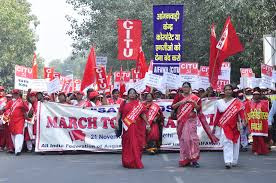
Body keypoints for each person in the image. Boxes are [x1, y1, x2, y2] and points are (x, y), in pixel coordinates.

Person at [115, 88, 150, 169]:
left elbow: (143, 115)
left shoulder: (138, 104)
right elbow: (119, 113)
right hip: (126, 127)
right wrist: (116, 122)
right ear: (128, 94)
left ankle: (136, 160)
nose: (132, 94)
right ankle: (127, 161)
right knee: (127, 143)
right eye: (130, 93)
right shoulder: (123, 103)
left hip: (136, 127)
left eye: (133, 93)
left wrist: (148, 123)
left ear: (136, 94)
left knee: (136, 144)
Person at [213, 84, 245, 169]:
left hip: (235, 125)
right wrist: (215, 126)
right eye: (226, 89)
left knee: (235, 142)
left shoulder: (237, 102)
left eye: (229, 89)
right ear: (224, 91)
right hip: (225, 125)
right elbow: (218, 116)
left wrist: (244, 120)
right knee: (227, 142)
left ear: (232, 91)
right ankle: (228, 161)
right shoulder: (219, 102)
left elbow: (241, 113)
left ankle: (234, 160)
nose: (228, 91)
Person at [172, 82, 202, 168]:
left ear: (190, 88)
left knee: (193, 139)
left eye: (187, 87)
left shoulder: (195, 97)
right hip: (181, 120)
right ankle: (185, 159)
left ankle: (194, 159)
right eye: (184, 87)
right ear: (182, 88)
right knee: (184, 140)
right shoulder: (178, 96)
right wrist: (183, 102)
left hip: (191, 120)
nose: (185, 88)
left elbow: (198, 109)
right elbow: (173, 106)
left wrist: (194, 103)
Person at [0, 89, 28, 155]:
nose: (15, 95)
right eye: (13, 94)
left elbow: (26, 109)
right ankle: (16, 148)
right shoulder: (10, 102)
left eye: (16, 94)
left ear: (19, 94)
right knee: (13, 135)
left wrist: (24, 105)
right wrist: (1, 110)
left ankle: (18, 150)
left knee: (19, 134)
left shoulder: (22, 101)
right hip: (12, 121)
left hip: (20, 120)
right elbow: (5, 108)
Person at [244, 90, 270, 155]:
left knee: (260, 137)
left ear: (260, 95)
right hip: (253, 123)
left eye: (257, 94)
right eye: (255, 94)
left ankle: (262, 150)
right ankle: (255, 150)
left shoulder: (264, 103)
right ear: (253, 96)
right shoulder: (249, 103)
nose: (256, 96)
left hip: (261, 123)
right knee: (255, 137)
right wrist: (246, 121)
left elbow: (266, 112)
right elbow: (246, 112)